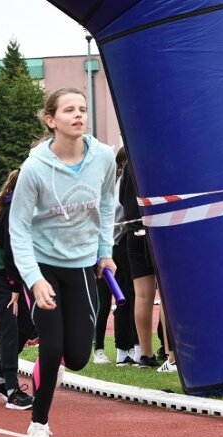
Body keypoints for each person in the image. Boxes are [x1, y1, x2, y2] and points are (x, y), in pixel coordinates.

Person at [9, 87, 116, 437]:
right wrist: (33, 279)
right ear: (51, 120)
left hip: (83, 263)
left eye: (83, 109)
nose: (78, 115)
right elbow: (18, 228)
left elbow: (106, 202)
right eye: (69, 110)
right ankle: (38, 425)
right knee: (51, 348)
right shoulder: (35, 168)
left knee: (79, 358)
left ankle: (55, 367)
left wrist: (105, 252)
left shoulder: (103, 157)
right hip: (43, 265)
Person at [0, 168, 35, 410]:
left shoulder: (29, 207)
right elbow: (13, 248)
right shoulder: (15, 210)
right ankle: (12, 391)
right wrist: (14, 285)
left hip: (12, 273)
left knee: (27, 326)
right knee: (10, 325)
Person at [118, 158, 169, 370]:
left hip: (133, 233)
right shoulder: (153, 156)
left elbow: (121, 198)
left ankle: (145, 354)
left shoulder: (129, 163)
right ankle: (170, 353)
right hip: (157, 229)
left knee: (142, 295)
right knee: (167, 293)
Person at [93, 146, 138, 365]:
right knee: (103, 302)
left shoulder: (119, 185)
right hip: (103, 251)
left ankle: (126, 350)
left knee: (126, 299)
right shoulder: (107, 188)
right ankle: (98, 348)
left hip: (117, 247)